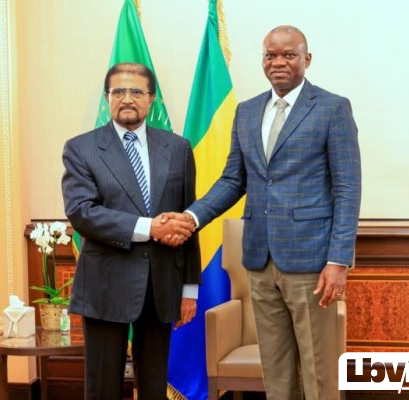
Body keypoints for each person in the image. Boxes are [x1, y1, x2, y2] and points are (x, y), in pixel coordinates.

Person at [182, 26, 361, 399]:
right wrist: (192, 217)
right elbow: (233, 180)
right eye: (270, 55)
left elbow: (347, 188)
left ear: (306, 59)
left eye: (289, 55)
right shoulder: (247, 112)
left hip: (312, 262)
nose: (278, 62)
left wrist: (339, 260)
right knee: (276, 372)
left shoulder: (332, 108)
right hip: (259, 260)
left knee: (319, 370)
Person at [61, 62, 200, 400]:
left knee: (154, 388)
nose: (127, 98)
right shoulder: (81, 148)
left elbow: (188, 220)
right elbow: (82, 213)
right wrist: (150, 228)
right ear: (107, 98)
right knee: (102, 388)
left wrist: (190, 290)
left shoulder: (177, 148)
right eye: (118, 91)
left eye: (136, 91)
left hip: (162, 284)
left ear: (151, 99)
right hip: (105, 286)